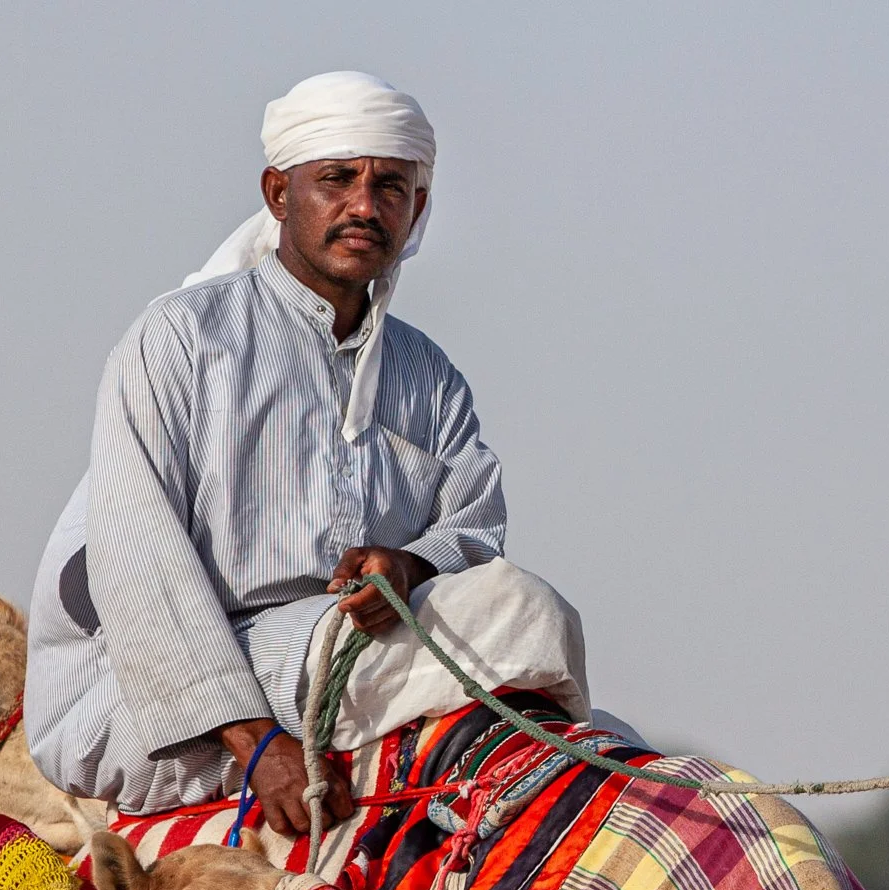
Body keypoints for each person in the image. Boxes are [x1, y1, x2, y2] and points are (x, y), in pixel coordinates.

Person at [28, 72, 565, 833]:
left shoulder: (427, 375)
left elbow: (474, 530)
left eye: (392, 187)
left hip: (341, 654)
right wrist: (256, 745)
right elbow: (139, 564)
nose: (364, 206)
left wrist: (407, 567)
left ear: (418, 209)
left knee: (526, 610)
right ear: (279, 193)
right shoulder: (180, 340)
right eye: (338, 179)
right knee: (504, 620)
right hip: (156, 695)